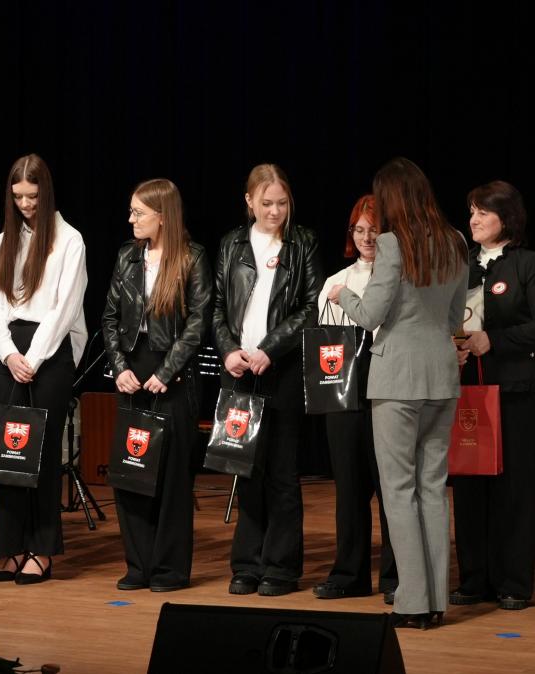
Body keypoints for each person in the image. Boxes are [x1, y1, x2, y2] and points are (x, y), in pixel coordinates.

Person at [332, 157, 467, 628]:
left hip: (397, 380)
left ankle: (412, 601)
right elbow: (454, 318)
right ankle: (436, 600)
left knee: (399, 490)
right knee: (432, 488)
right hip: (441, 377)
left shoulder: (392, 244)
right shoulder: (456, 241)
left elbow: (370, 315)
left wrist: (342, 295)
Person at [449, 180, 535, 611]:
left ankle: (513, 582)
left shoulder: (529, 263)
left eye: (483, 212)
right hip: (466, 389)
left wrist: (493, 340)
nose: (473, 220)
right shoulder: (461, 265)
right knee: (468, 484)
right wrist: (453, 343)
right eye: (471, 211)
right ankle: (473, 579)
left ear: (507, 217)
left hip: (516, 389)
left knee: (513, 486)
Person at [213, 163, 322, 597]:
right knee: (245, 470)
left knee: (281, 473)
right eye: (266, 203)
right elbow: (217, 307)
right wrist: (229, 351)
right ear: (249, 201)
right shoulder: (232, 244)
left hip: (283, 370)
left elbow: (311, 307)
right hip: (239, 371)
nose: (275, 211)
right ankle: (246, 564)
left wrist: (269, 349)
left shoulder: (303, 242)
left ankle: (281, 567)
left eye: (282, 203)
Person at [102, 178, 211, 592]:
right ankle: (139, 565)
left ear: (162, 217)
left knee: (172, 477)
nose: (131, 219)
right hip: (133, 370)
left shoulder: (192, 257)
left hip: (173, 375)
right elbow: (109, 318)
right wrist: (119, 367)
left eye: (139, 212)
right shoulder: (127, 256)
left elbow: (198, 323)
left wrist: (167, 371)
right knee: (132, 469)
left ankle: (169, 569)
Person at [0, 153, 87, 584]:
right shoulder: (2, 242)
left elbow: (65, 309)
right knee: (7, 452)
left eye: (33, 196)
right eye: (18, 196)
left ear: (47, 193)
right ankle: (11, 548)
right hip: (10, 352)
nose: (25, 204)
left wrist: (35, 357)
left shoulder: (69, 240)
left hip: (50, 352)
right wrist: (9, 354)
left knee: (41, 455)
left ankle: (41, 550)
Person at [311, 194, 398, 602]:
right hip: (344, 390)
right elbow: (324, 341)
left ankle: (397, 577)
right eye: (359, 230)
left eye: (374, 230)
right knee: (348, 487)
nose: (366, 238)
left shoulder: (399, 277)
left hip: (387, 387)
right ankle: (349, 574)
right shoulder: (335, 280)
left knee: (390, 487)